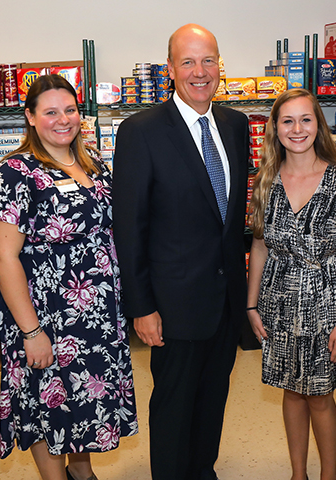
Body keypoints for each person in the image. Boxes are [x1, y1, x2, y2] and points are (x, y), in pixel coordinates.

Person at [112, 23, 250, 480]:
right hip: (171, 307)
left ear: (220, 67)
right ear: (169, 69)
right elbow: (129, 228)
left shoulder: (235, 124)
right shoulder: (140, 132)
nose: (199, 71)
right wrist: (142, 307)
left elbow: (229, 220)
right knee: (173, 409)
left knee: (212, 403)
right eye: (187, 61)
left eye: (208, 60)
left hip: (224, 302)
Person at [0, 74, 138, 480]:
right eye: (50, 111)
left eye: (69, 110)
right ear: (30, 117)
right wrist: (31, 331)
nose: (63, 119)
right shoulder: (14, 174)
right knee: (48, 403)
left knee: (83, 403)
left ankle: (82, 474)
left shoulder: (93, 165)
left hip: (96, 316)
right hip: (47, 316)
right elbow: (3, 257)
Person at [246, 88, 336, 480]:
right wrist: (251, 305)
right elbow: (260, 245)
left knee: (320, 395)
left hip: (327, 302)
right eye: (287, 121)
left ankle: (327, 475)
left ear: (319, 124)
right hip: (277, 301)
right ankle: (299, 474)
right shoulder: (265, 180)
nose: (297, 129)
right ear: (275, 129)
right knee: (291, 392)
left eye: (306, 119)